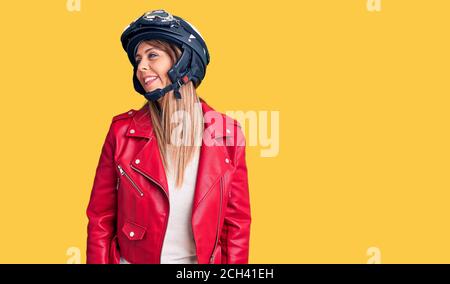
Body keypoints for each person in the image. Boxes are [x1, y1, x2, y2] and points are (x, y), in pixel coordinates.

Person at [86, 9, 251, 264]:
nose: (141, 66)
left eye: (153, 55)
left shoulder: (227, 134)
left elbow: (236, 224)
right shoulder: (121, 131)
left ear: (183, 62)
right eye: (138, 59)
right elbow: (100, 219)